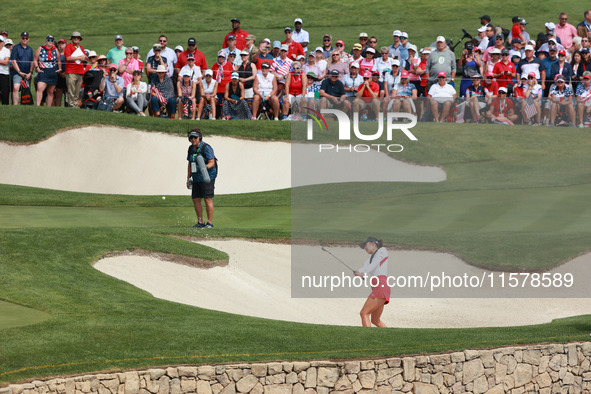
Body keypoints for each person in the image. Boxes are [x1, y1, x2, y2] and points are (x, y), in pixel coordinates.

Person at [354, 237, 390, 328]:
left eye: (365, 246)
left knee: (364, 313)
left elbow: (374, 264)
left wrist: (363, 273)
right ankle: (390, 338)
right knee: (375, 320)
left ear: (372, 243)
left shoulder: (382, 251)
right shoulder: (370, 259)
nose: (365, 248)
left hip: (380, 287)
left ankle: (367, 339)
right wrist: (358, 272)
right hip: (379, 287)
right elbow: (365, 267)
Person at [187, 129, 217, 229]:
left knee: (207, 198)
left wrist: (204, 167)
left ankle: (209, 223)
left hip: (207, 176)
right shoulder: (191, 149)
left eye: (195, 137)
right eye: (191, 137)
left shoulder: (206, 147)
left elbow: (212, 162)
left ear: (199, 137)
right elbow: (190, 163)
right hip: (196, 177)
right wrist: (188, 177)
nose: (193, 139)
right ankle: (200, 222)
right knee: (196, 199)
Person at [33, 35, 60, 107]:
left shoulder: (55, 50)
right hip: (43, 71)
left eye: (51, 40)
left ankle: (48, 107)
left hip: (52, 72)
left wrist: (59, 69)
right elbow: (35, 59)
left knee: (51, 92)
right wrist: (37, 67)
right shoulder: (40, 48)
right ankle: (38, 105)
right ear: (46, 41)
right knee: (40, 88)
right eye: (48, 40)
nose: (50, 42)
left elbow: (59, 60)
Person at [11, 32, 34, 105]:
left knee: (26, 90)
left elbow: (32, 62)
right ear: (20, 38)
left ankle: (25, 105)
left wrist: (30, 73)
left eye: (26, 38)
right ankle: (15, 105)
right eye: (23, 38)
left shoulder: (30, 49)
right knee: (15, 87)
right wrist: (20, 72)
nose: (24, 39)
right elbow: (14, 61)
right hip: (18, 73)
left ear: (28, 39)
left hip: (27, 73)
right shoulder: (16, 48)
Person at [0, 36, 10, 105]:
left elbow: (6, 62)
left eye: (0, 41)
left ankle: (5, 106)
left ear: (3, 42)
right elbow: (4, 61)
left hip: (4, 73)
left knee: (5, 93)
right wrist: (2, 61)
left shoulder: (6, 50)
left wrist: (4, 61)